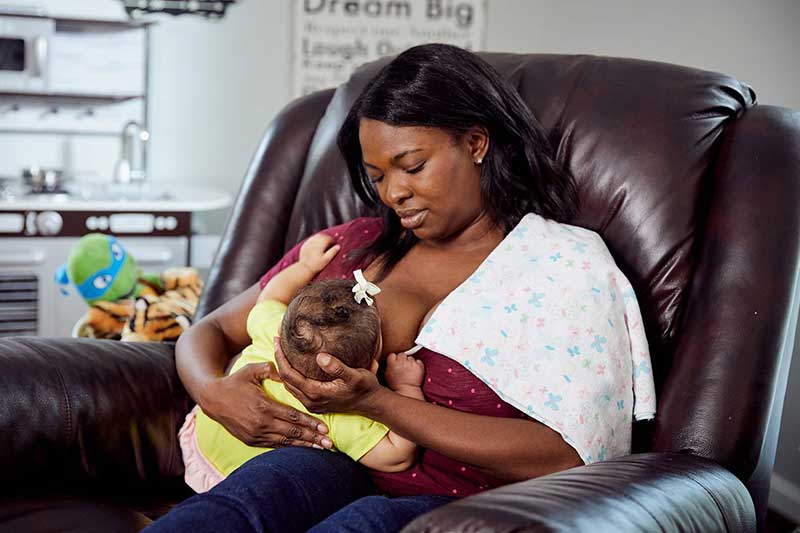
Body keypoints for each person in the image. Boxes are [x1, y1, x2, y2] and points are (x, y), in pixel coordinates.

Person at [146, 43, 601, 532]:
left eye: (412, 166)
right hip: (321, 463)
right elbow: (210, 329)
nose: (393, 194)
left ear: (475, 143)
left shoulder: (561, 264)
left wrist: (378, 403)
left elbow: (568, 456)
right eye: (376, 176)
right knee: (239, 507)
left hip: (450, 505)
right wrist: (215, 392)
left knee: (361, 523)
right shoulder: (349, 247)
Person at [179, 232, 427, 493]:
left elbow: (270, 296)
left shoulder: (271, 328)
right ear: (368, 371)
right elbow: (398, 456)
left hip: (200, 439)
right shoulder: (336, 415)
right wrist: (407, 387)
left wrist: (305, 266)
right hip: (234, 483)